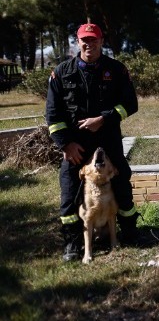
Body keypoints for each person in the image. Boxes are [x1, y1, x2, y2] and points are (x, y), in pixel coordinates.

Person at [46, 22, 140, 261]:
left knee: (122, 188)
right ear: (78, 42)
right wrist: (65, 144)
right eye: (84, 40)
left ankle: (129, 234)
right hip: (76, 145)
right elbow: (53, 115)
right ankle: (73, 244)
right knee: (69, 193)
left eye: (94, 39)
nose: (89, 44)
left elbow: (130, 105)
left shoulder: (117, 70)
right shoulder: (62, 72)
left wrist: (103, 119)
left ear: (102, 41)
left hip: (108, 141)